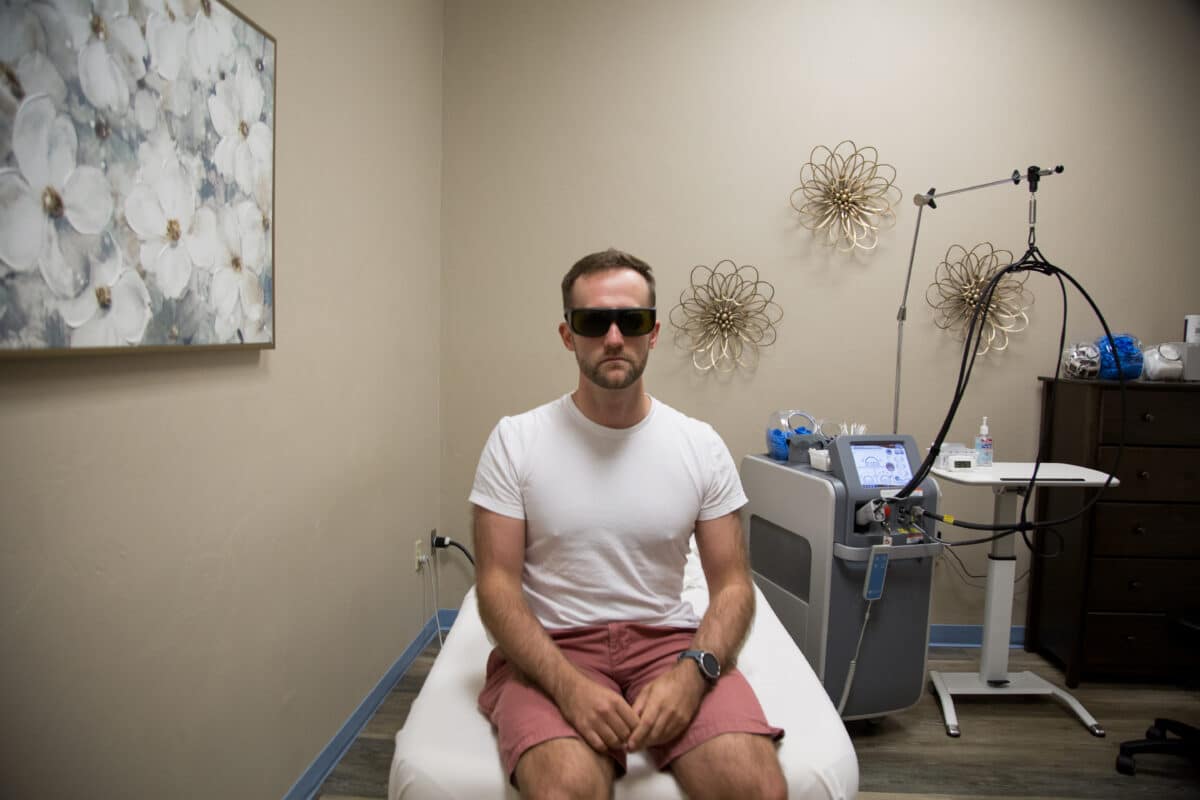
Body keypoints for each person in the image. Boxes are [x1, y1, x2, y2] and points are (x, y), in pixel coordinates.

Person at [470, 248, 787, 799]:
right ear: (569, 335)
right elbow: (496, 584)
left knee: (757, 788)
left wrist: (695, 672)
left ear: (653, 333)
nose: (613, 337)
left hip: (669, 645)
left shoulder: (699, 445)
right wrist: (566, 686)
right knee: (564, 792)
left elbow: (734, 584)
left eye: (631, 321)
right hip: (555, 647)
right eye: (594, 322)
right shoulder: (515, 441)